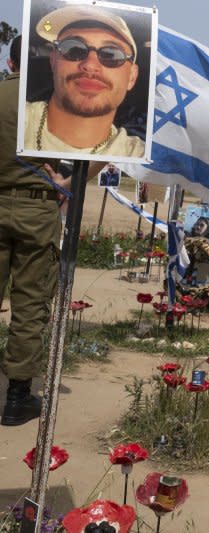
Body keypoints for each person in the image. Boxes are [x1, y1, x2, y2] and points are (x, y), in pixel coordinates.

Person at [1, 36, 72, 426]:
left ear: (10, 62)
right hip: (37, 209)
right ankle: (16, 399)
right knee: (29, 307)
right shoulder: (55, 104)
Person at [23, 5, 145, 158]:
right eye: (73, 49)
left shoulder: (141, 158)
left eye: (111, 54)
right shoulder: (11, 120)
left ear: (132, 77)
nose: (90, 65)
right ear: (53, 62)